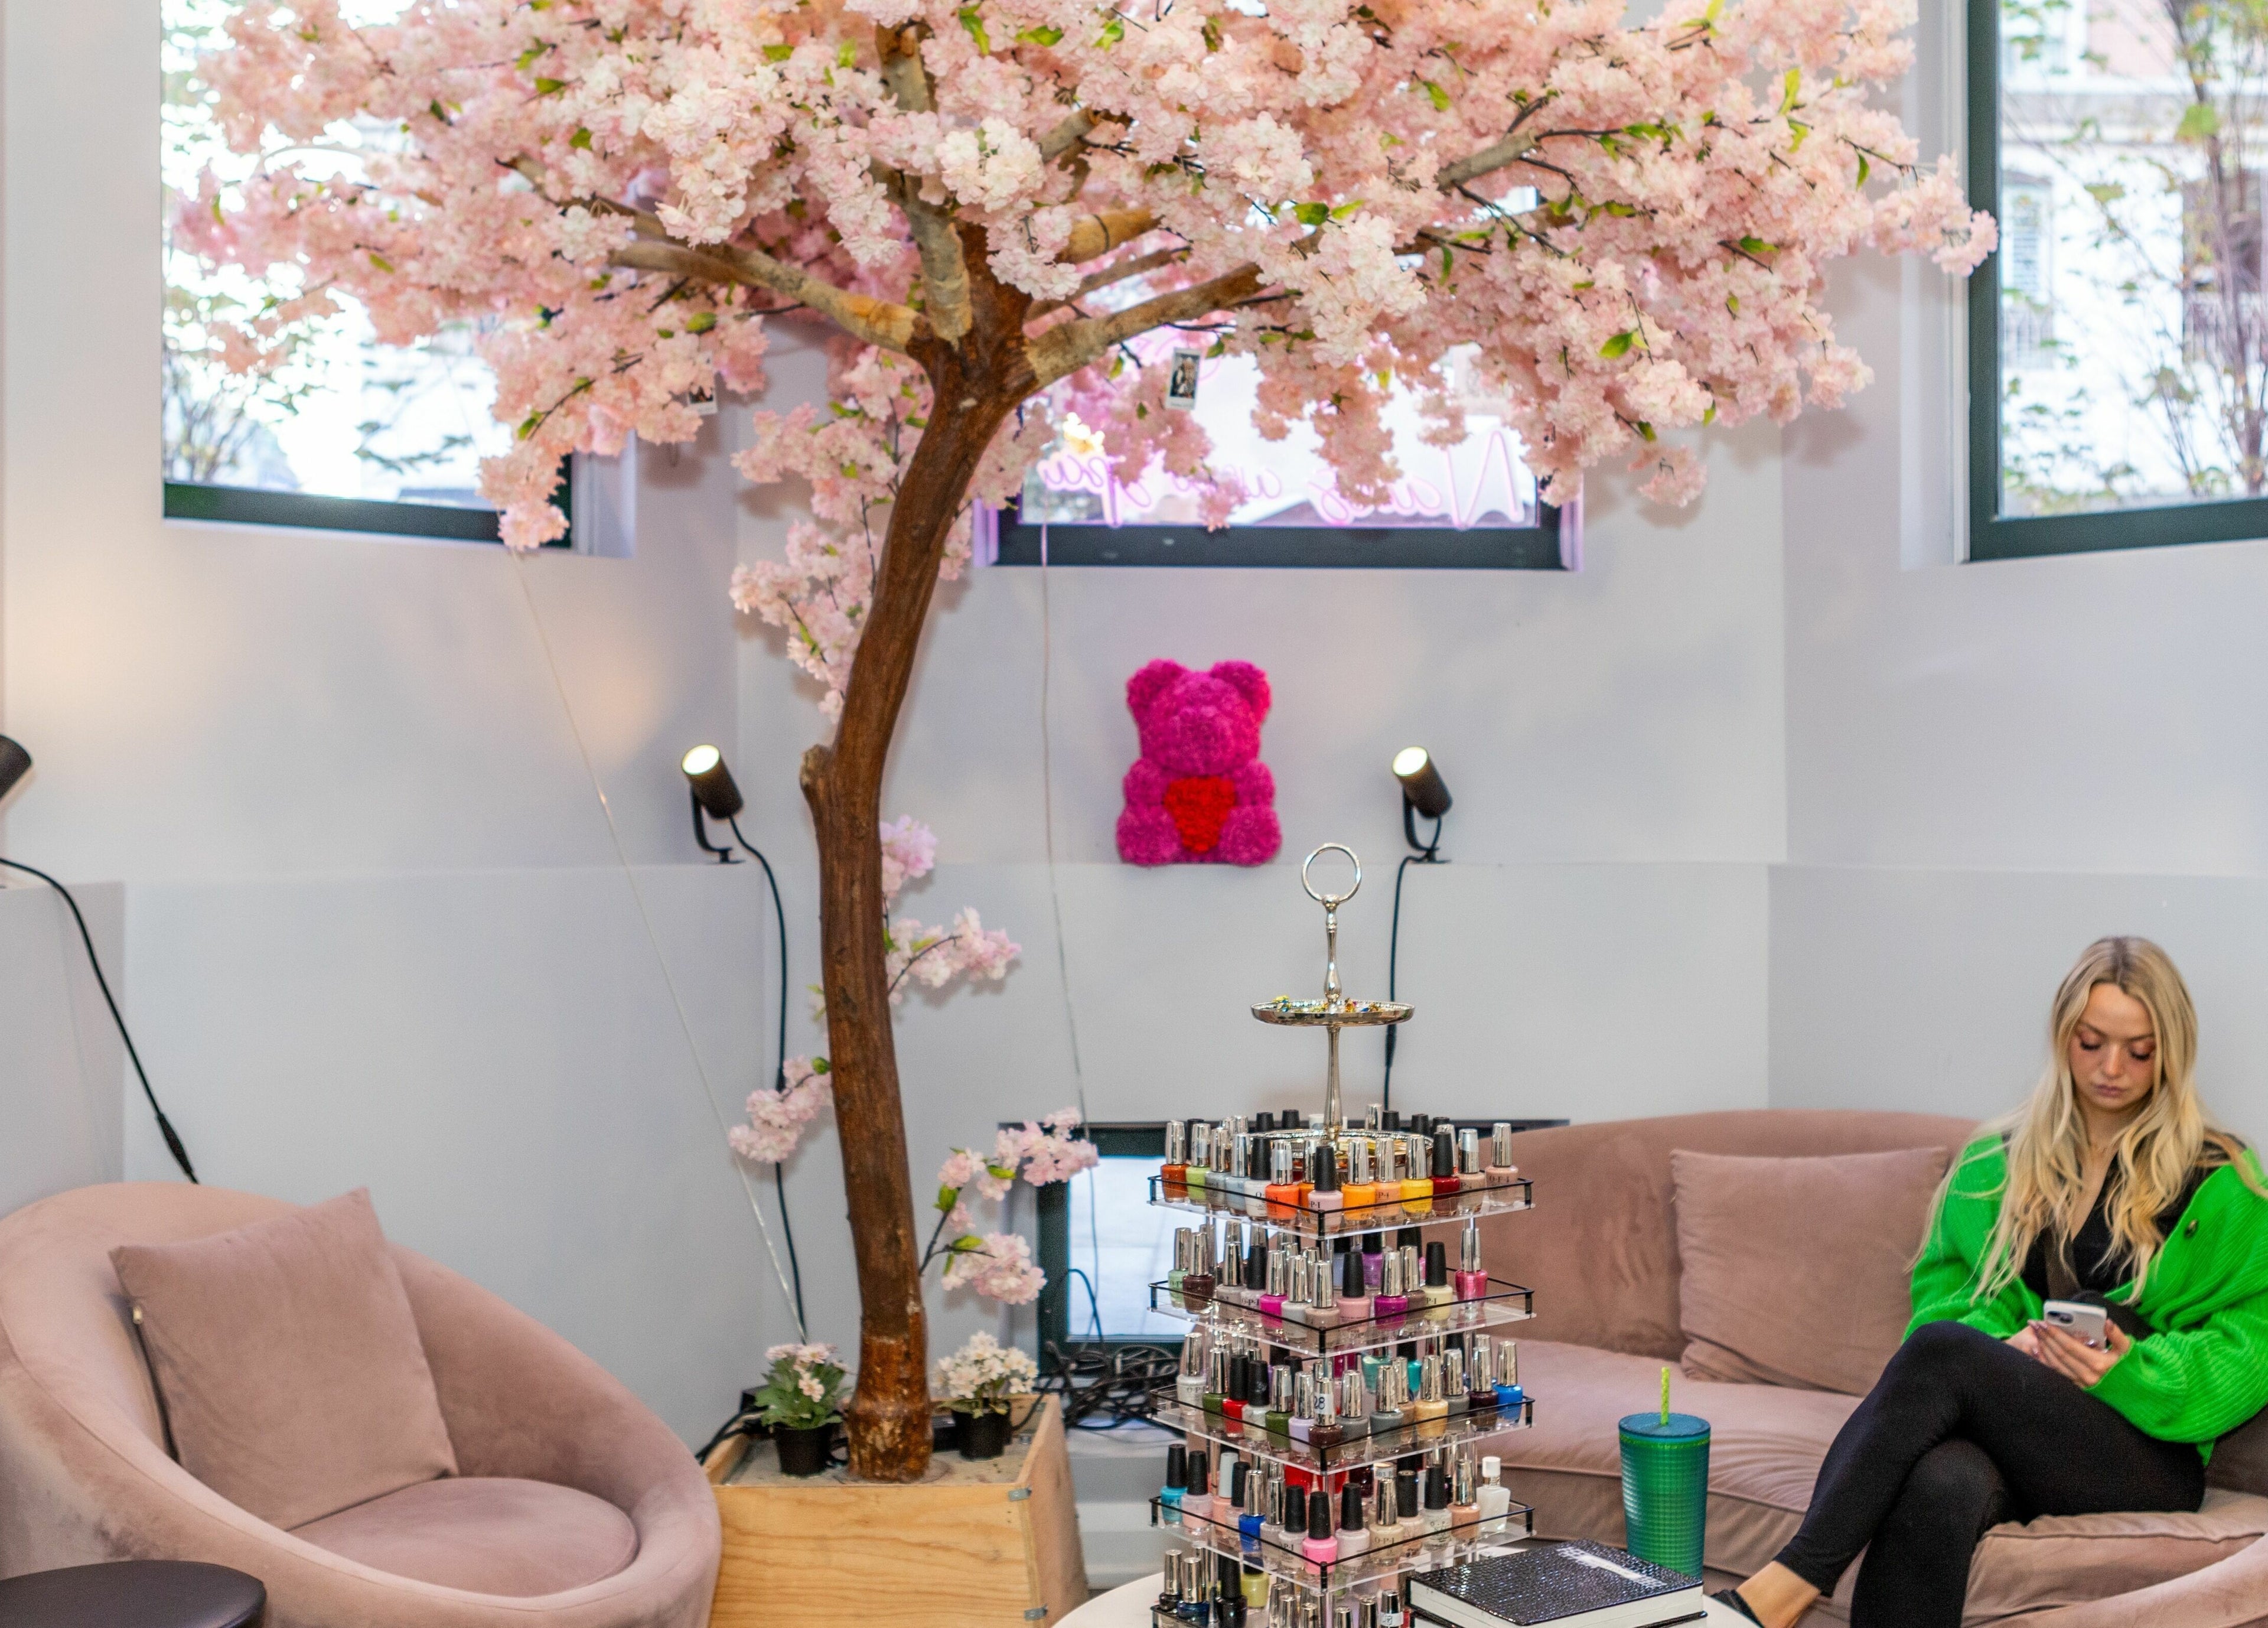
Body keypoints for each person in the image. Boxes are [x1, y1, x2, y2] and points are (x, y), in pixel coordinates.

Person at [1718, 936, 2268, 1627]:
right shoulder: (1993, 1162)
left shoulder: (2225, 1180)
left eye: (2140, 1049)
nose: (2111, 1068)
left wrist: (2133, 1368)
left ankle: (1782, 1587)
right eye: (2091, 1041)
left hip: (2142, 1453)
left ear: (2174, 1051)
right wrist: (2005, 1349)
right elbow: (1945, 1298)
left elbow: (2249, 1346)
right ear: (2063, 1034)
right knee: (1943, 1477)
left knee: (1944, 1352)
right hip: (2020, 1426)